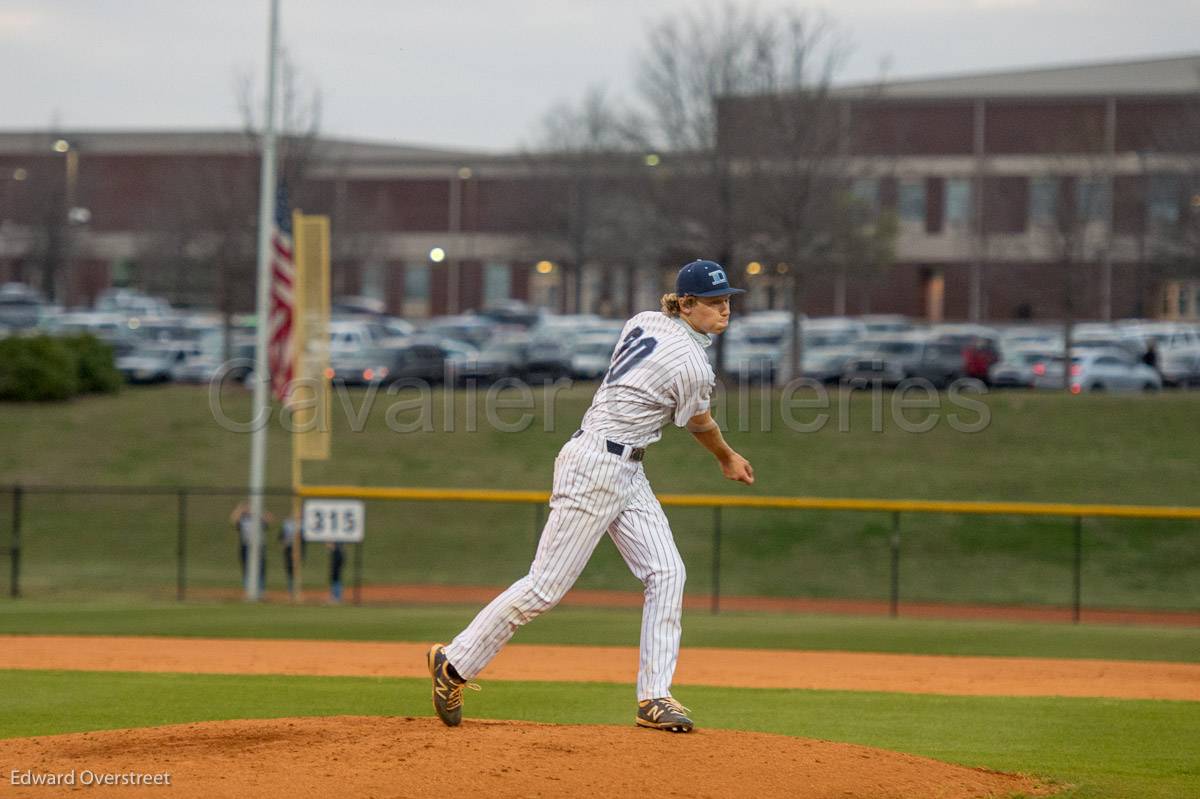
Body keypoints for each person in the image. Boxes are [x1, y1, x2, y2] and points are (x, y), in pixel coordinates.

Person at [428, 259, 755, 733]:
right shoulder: (691, 365)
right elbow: (699, 424)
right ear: (685, 304)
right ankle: (453, 663)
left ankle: (654, 697)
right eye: (713, 302)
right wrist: (726, 457)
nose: (724, 309)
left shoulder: (644, 320)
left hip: (625, 466)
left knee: (667, 572)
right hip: (597, 466)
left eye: (727, 300)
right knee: (543, 589)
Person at [230, 501, 273, 594]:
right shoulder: (243, 519)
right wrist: (240, 509)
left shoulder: (259, 519)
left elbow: (269, 519)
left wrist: (260, 510)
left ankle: (261, 590)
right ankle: (248, 590)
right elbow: (233, 520)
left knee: (261, 569)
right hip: (246, 546)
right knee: (246, 569)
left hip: (259, 546)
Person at [279, 516, 306, 594]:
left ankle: (296, 589)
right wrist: (284, 543)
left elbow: (304, 538)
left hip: (299, 549)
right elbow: (281, 536)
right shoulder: (287, 523)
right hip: (289, 548)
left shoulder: (302, 524)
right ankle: (291, 589)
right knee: (290, 569)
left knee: (297, 569)